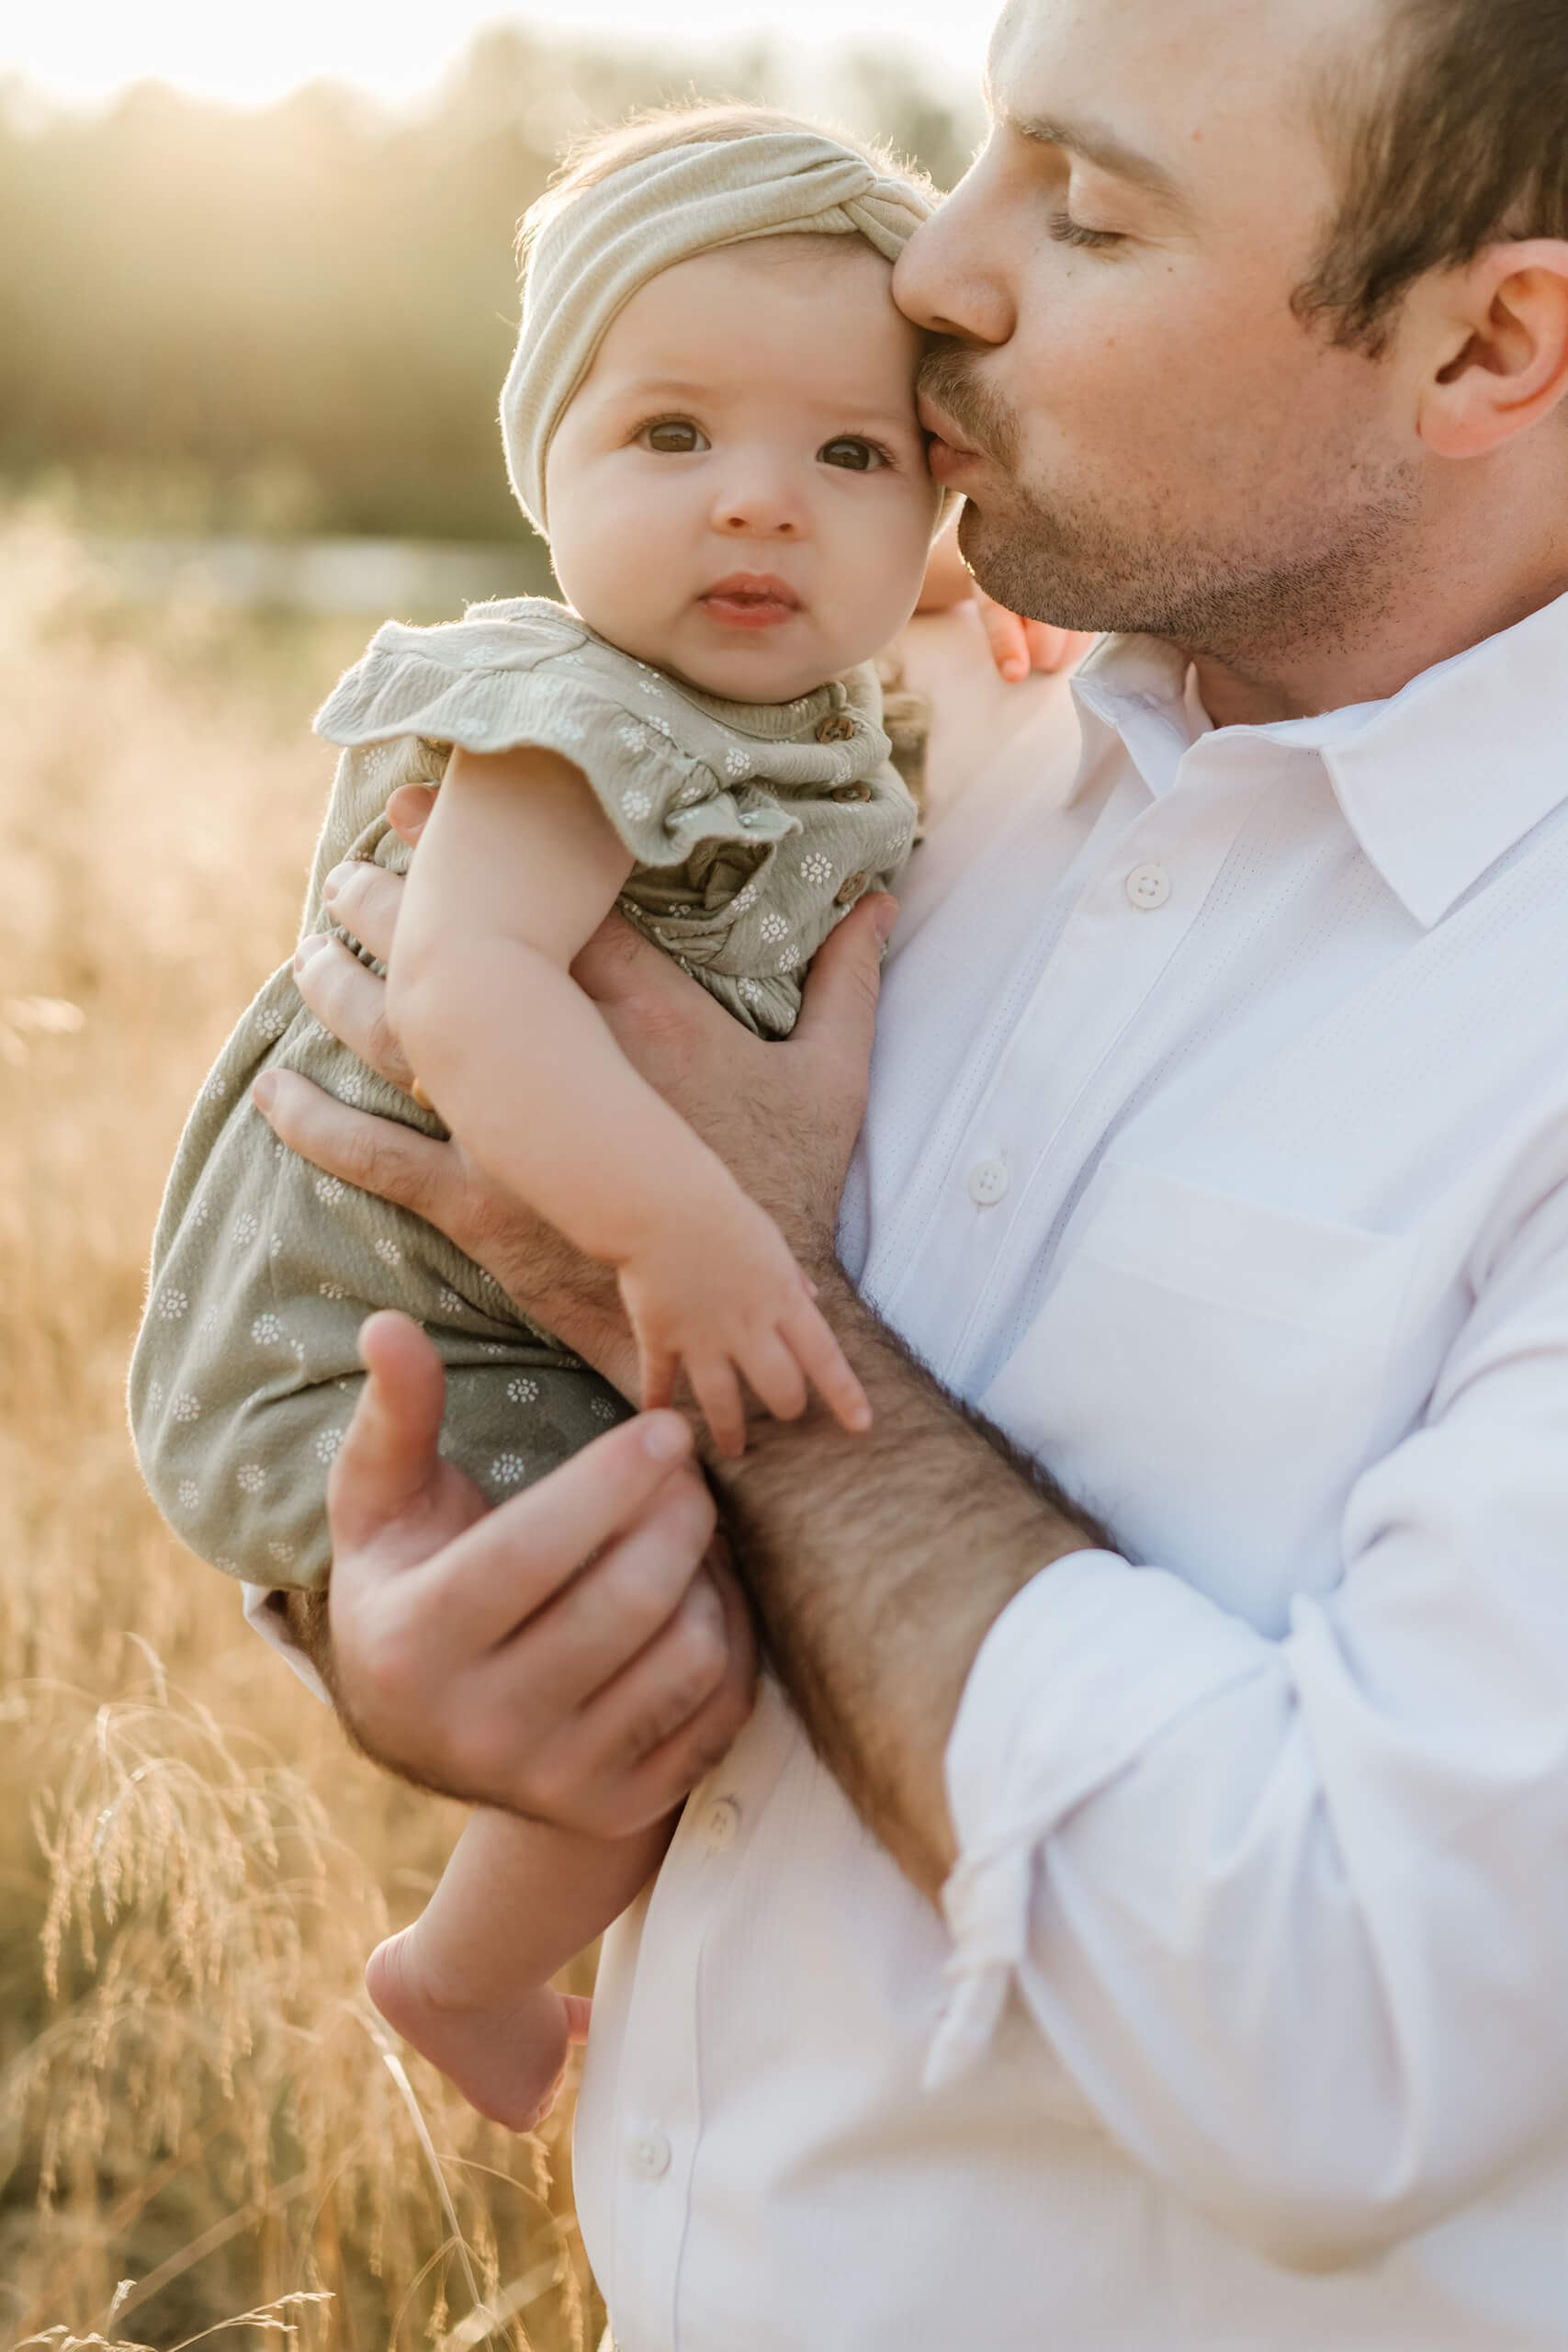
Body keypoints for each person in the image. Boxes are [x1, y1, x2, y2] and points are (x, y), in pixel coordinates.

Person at [247, 0, 1568, 2342]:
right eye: (974, 152)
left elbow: (1339, 2030)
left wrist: (759, 1313)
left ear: (1483, 341)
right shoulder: (895, 735)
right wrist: (409, 1639)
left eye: (1080, 205)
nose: (932, 267)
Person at [130, 111, 969, 2130]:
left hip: (501, 1321)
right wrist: (694, 1229)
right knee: (666, 1653)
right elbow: (469, 990)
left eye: (850, 455)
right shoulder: (564, 717)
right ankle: (461, 1965)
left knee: (683, 1628)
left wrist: (953, 611)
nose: (760, 507)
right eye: (670, 437)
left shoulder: (806, 692)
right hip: (375, 1347)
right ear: (549, 462)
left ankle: (491, 1958)